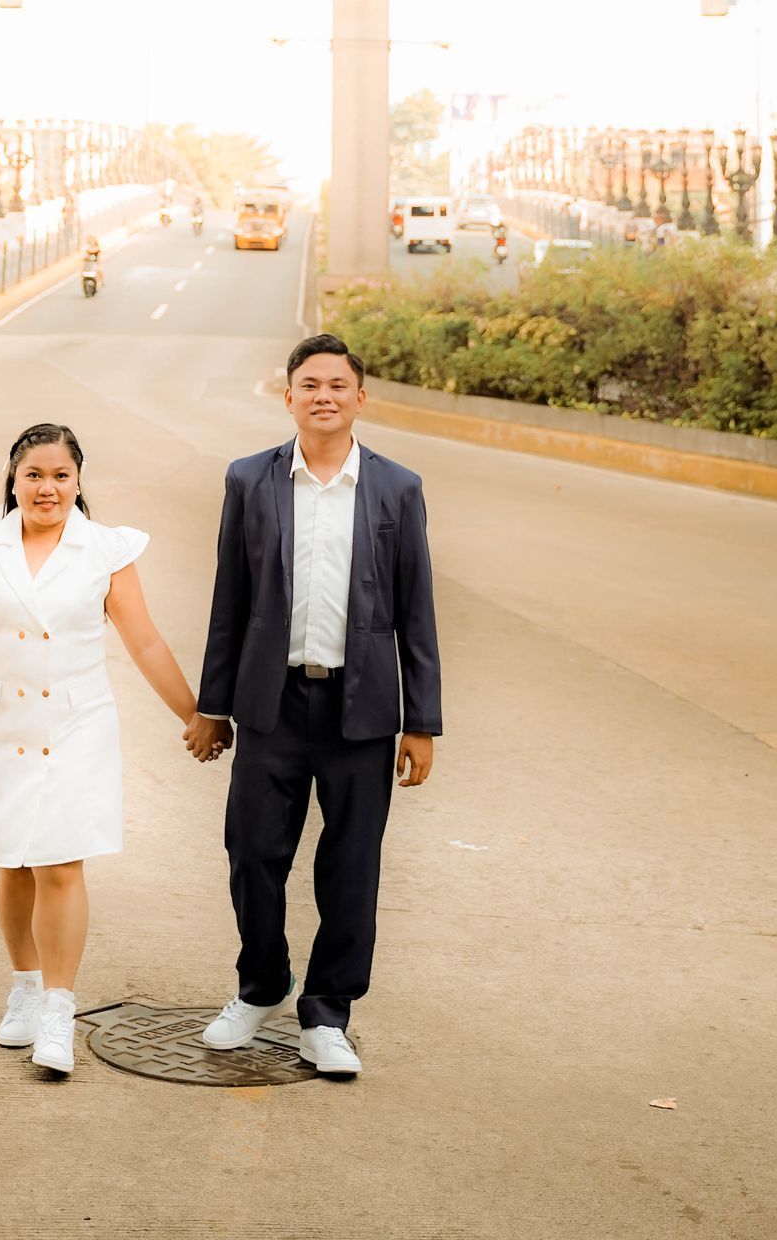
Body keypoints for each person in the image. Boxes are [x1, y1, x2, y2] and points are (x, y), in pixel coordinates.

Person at [0, 420, 213, 1076]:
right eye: (34, 475)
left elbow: (145, 642)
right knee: (13, 862)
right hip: (5, 727)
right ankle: (24, 986)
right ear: (13, 480)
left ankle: (57, 1008)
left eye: (60, 475)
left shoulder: (106, 550)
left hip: (77, 727)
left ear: (78, 482)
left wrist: (194, 713)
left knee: (59, 863)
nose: (47, 487)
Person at [186, 332, 442, 1079]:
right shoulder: (250, 480)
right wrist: (213, 705)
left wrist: (421, 722)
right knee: (251, 853)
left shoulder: (397, 488)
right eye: (309, 385)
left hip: (362, 712)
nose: (323, 396)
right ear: (288, 397)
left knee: (351, 866)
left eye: (337, 385)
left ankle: (328, 1014)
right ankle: (261, 986)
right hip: (272, 704)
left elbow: (416, 609)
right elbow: (230, 601)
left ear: (360, 398)